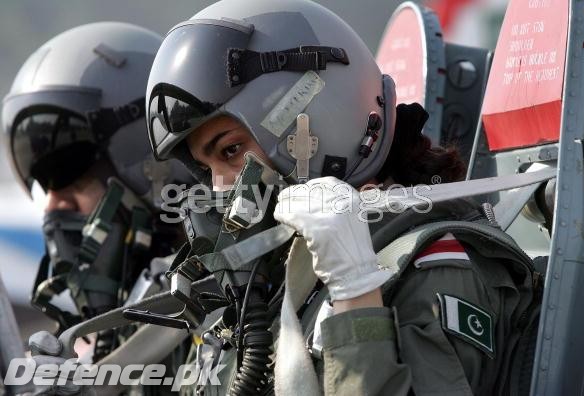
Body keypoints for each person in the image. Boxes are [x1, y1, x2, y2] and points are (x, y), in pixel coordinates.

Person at [145, 0, 538, 395]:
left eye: (230, 150)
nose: (219, 188)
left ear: (316, 116)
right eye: (206, 167)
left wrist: (356, 293)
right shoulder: (274, 288)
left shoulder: (436, 267)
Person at [1, 22, 193, 391]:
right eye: (42, 186)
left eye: (69, 176)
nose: (53, 206)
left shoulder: (231, 328)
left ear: (152, 173)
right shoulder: (77, 351)